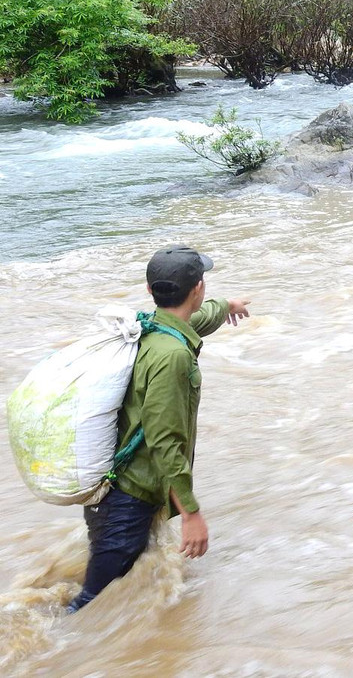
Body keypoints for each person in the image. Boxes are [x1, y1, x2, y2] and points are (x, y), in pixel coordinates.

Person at [67, 246, 251, 613]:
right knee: (90, 606)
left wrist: (226, 306)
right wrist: (192, 514)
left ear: (151, 291)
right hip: (127, 501)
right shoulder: (172, 357)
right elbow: (166, 440)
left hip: (119, 491)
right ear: (197, 288)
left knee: (121, 599)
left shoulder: (152, 330)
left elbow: (200, 319)